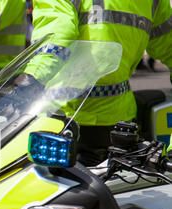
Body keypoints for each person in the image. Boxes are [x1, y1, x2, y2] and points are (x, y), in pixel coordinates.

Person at [28, 0, 172, 166]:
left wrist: (32, 77)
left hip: (61, 117)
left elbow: (56, 32)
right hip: (119, 121)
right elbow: (168, 44)